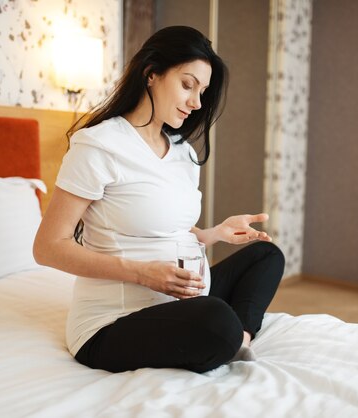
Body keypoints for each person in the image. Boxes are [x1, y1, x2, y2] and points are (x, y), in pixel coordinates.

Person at [33, 26, 285, 373]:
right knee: (215, 321)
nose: (197, 102)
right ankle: (229, 333)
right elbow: (47, 247)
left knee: (266, 256)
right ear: (151, 74)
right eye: (187, 84)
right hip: (114, 322)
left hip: (186, 299)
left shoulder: (182, 151)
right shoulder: (99, 145)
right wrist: (142, 274)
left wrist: (213, 234)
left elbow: (168, 228)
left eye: (203, 91)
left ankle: (238, 337)